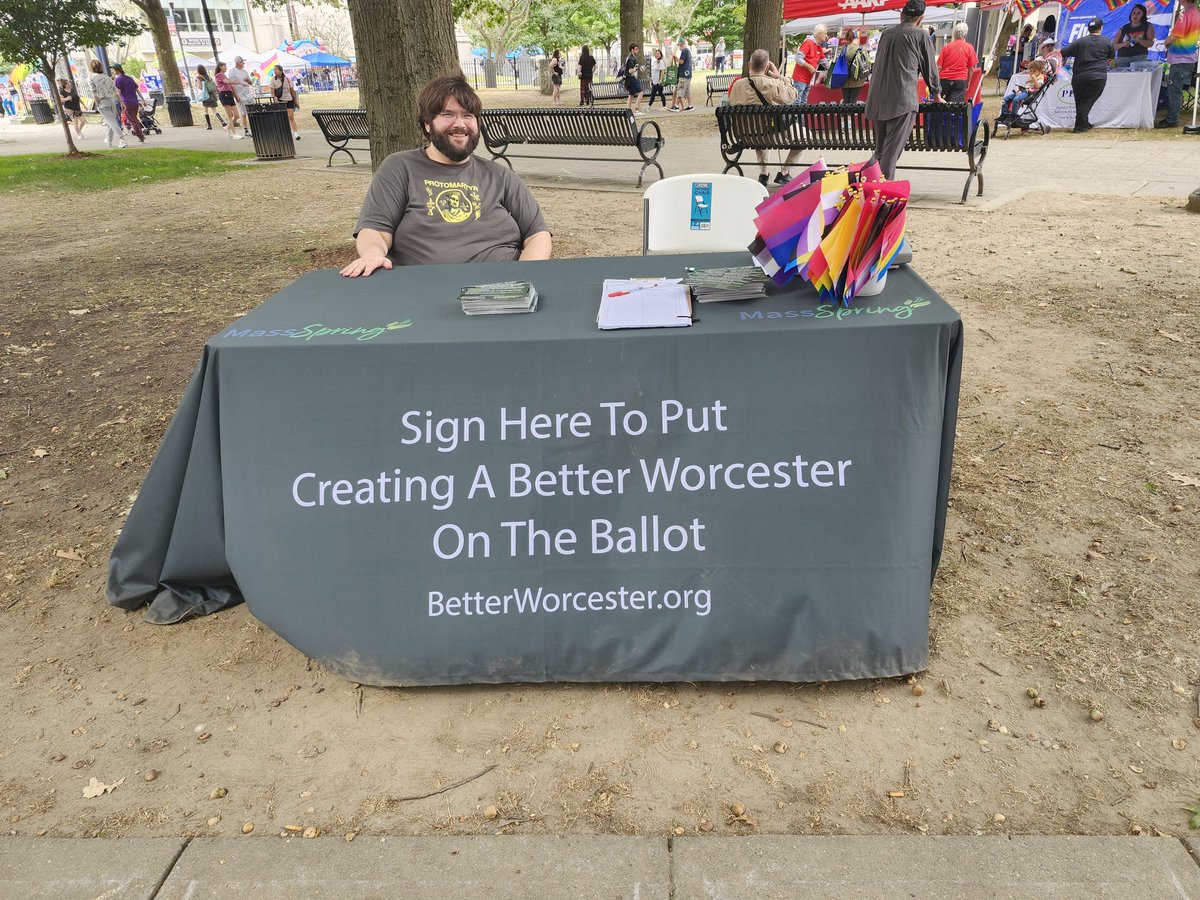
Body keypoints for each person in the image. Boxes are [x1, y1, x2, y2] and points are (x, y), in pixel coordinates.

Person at [340, 74, 552, 276]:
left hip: (500, 287)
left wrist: (523, 277)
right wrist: (373, 255)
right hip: (425, 289)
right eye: (448, 114)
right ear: (427, 123)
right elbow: (375, 231)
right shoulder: (399, 168)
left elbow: (537, 235)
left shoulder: (501, 176)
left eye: (468, 115)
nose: (460, 124)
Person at [865, 0, 941, 179]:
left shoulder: (886, 34)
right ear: (920, 19)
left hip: (878, 99)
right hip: (902, 100)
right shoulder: (920, 35)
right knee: (889, 154)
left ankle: (868, 187)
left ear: (901, 14)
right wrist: (936, 93)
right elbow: (929, 67)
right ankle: (881, 195)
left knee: (880, 152)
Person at [730, 48, 800, 187]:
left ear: (749, 65)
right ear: (767, 66)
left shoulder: (737, 86)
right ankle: (785, 172)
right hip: (772, 136)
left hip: (746, 135)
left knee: (758, 128)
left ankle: (764, 173)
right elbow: (794, 94)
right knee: (804, 136)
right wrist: (778, 76)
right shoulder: (774, 84)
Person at [1061, 17, 1115, 133]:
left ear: (1089, 29)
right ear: (1101, 28)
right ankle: (1080, 127)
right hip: (1097, 76)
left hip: (1079, 76)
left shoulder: (1080, 41)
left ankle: (1083, 124)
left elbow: (1064, 52)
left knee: (1080, 102)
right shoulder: (1107, 41)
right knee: (1086, 102)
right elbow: (1111, 58)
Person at [1158, 0, 1199, 128]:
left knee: (1174, 89)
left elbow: (1176, 34)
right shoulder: (1196, 12)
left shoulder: (1185, 14)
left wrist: (1166, 42)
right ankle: (1172, 117)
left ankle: (1172, 119)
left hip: (1180, 57)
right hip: (1189, 56)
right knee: (1177, 88)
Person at [86, 61, 125, 148]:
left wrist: (97, 102)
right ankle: (109, 140)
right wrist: (122, 103)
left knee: (112, 121)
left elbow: (94, 92)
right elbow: (116, 91)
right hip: (111, 100)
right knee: (111, 121)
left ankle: (121, 139)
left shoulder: (91, 78)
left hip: (102, 101)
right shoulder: (107, 77)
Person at [937, 22, 978, 103]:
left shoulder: (946, 47)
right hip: (960, 79)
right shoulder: (969, 48)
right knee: (956, 106)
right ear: (965, 35)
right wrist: (968, 81)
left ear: (954, 34)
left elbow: (939, 67)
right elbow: (971, 68)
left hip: (944, 79)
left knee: (942, 104)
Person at [999, 57, 1046, 121]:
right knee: (1005, 99)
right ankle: (1004, 114)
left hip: (1029, 93)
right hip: (1022, 91)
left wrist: (1035, 79)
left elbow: (1037, 86)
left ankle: (1014, 115)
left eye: (1034, 71)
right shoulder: (1031, 76)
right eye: (1030, 71)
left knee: (1016, 99)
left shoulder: (1040, 77)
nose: (1032, 73)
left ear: (1040, 71)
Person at [791, 24, 828, 103]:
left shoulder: (818, 46)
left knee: (803, 102)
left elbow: (824, 62)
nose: (826, 35)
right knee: (797, 102)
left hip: (808, 79)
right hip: (800, 78)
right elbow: (798, 58)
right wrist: (809, 67)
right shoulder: (808, 43)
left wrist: (831, 67)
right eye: (825, 33)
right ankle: (795, 116)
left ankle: (800, 116)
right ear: (819, 34)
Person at [111, 65, 145, 143]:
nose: (112, 71)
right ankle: (139, 133)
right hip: (135, 102)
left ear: (117, 70)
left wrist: (121, 103)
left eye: (113, 70)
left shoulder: (118, 79)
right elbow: (137, 90)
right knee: (134, 119)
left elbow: (118, 93)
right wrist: (143, 100)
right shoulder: (130, 79)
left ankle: (140, 136)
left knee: (133, 120)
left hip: (126, 102)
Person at [269, 65, 301, 139]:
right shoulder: (273, 80)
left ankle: (296, 133)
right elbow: (272, 92)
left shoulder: (287, 79)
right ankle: (284, 133)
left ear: (281, 71)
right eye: (274, 69)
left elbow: (292, 91)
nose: (275, 71)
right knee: (282, 118)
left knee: (291, 117)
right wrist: (275, 98)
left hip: (289, 100)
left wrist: (295, 101)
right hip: (280, 101)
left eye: (276, 69)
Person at [214, 62, 244, 140]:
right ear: (220, 67)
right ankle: (234, 134)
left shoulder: (223, 75)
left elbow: (230, 85)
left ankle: (227, 126)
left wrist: (236, 96)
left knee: (236, 115)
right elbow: (227, 82)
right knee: (230, 115)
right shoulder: (219, 75)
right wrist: (239, 82)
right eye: (225, 66)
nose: (226, 68)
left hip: (229, 94)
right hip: (224, 94)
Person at [226, 56, 254, 136]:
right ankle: (246, 130)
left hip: (248, 94)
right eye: (242, 62)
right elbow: (231, 84)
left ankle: (252, 128)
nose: (244, 63)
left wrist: (249, 81)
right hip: (240, 95)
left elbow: (251, 83)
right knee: (243, 113)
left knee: (251, 112)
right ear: (238, 62)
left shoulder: (244, 71)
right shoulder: (232, 71)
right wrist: (236, 96)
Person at [841, 29, 870, 104]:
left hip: (844, 80)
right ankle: (850, 116)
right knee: (853, 102)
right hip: (857, 80)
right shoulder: (861, 49)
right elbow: (867, 64)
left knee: (846, 101)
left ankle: (845, 115)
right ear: (856, 38)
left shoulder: (843, 49)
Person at [194, 64, 224, 131]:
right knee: (214, 111)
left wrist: (196, 85)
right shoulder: (208, 77)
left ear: (198, 70)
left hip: (205, 96)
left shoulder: (199, 77)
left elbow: (200, 87)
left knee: (206, 111)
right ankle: (223, 122)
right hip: (212, 95)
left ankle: (209, 125)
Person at [623, 43, 645, 116]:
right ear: (632, 49)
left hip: (627, 80)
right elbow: (630, 70)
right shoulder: (631, 59)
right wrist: (637, 69)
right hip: (631, 79)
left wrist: (637, 69)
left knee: (631, 94)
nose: (637, 50)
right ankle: (636, 109)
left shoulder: (629, 57)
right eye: (636, 49)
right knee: (641, 93)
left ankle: (628, 110)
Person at [675, 38, 694, 110]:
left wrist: (676, 58)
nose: (679, 46)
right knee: (687, 91)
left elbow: (681, 62)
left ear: (682, 44)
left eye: (680, 44)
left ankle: (676, 106)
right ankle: (690, 105)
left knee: (681, 89)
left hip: (684, 74)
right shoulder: (688, 51)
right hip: (688, 74)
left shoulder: (684, 50)